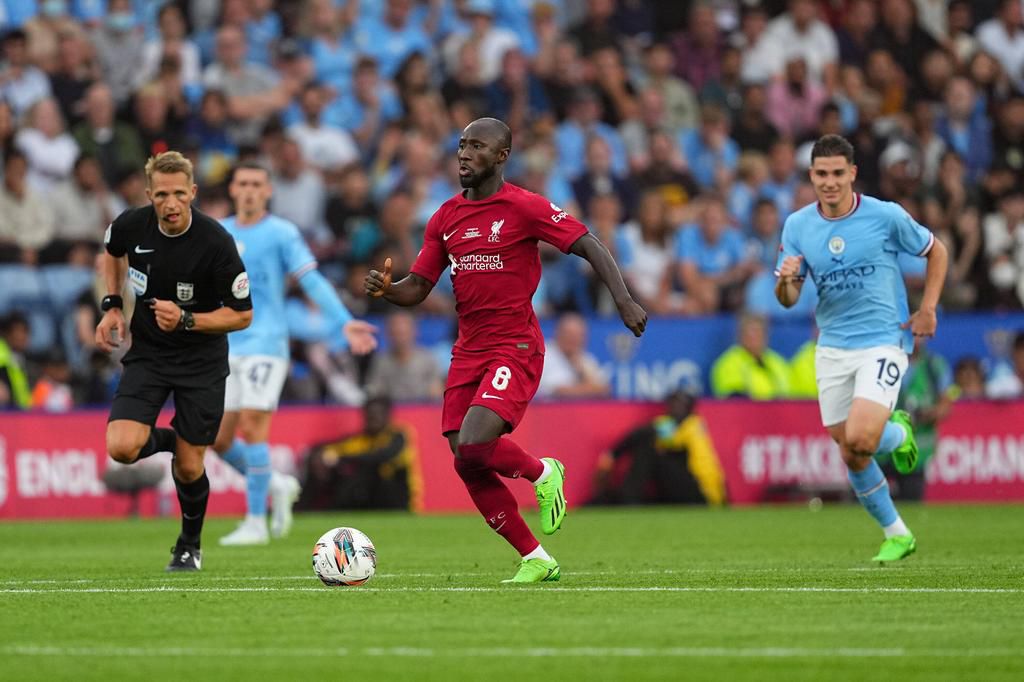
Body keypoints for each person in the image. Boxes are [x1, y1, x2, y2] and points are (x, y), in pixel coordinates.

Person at [364, 117, 647, 583]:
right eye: (460, 145)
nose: (463, 154)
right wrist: (388, 289)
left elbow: (588, 243)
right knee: (466, 458)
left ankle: (542, 472)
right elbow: (418, 286)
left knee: (476, 441)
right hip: (468, 349)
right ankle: (536, 557)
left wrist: (624, 299)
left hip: (514, 345)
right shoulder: (444, 217)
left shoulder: (524, 207)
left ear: (501, 156)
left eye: (476, 146)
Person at [775, 134, 948, 563]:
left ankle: (900, 431)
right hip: (832, 347)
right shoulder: (798, 226)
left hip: (883, 341)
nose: (829, 182)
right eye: (821, 174)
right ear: (811, 176)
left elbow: (936, 250)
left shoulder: (885, 216)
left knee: (862, 438)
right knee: (850, 451)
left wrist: (927, 308)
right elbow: (788, 299)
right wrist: (785, 279)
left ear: (852, 173)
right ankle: (898, 534)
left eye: (837, 173)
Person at [95, 151, 254, 571]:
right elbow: (112, 250)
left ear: (193, 193)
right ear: (149, 194)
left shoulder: (215, 242)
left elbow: (242, 314)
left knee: (188, 469)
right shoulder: (131, 225)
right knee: (122, 448)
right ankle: (172, 439)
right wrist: (112, 305)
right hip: (148, 354)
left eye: (179, 194)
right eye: (161, 194)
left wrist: (187, 319)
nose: (170, 203)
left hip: (201, 360)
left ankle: (189, 544)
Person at [213, 161, 378, 546]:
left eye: (257, 183)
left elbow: (311, 279)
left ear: (268, 191)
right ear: (233, 190)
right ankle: (278, 483)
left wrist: (343, 321)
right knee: (217, 439)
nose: (250, 190)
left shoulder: (281, 233)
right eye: (243, 183)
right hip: (225, 345)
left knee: (253, 424)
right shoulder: (219, 233)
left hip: (267, 343)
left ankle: (255, 520)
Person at [593, 390, 725, 506]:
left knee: (647, 448)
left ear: (689, 409)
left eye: (679, 405)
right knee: (651, 446)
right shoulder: (686, 424)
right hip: (694, 491)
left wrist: (612, 455)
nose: (674, 408)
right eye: (672, 403)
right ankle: (627, 499)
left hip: (701, 495)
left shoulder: (690, 425)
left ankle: (629, 500)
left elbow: (642, 433)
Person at [301, 394, 421, 512]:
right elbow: (325, 447)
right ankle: (306, 509)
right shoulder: (359, 439)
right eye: (370, 415)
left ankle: (334, 509)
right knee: (327, 464)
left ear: (387, 416)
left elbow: (383, 456)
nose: (373, 419)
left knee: (368, 470)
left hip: (400, 498)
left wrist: (342, 457)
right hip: (371, 499)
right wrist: (321, 456)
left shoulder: (399, 436)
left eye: (377, 414)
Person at [879, 338, 955, 501]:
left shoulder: (934, 366)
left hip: (916, 449)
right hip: (880, 447)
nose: (914, 338)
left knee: (910, 506)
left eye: (918, 333)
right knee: (866, 505)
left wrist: (925, 414)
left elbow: (945, 406)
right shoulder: (881, 361)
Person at [710, 313, 791, 400]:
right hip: (746, 412)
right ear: (740, 336)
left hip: (781, 411)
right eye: (750, 333)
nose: (754, 338)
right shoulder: (728, 364)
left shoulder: (778, 362)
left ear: (766, 336)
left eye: (758, 332)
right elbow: (734, 399)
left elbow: (793, 396)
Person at [537, 313, 610, 399]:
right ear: (558, 333)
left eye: (578, 335)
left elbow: (604, 389)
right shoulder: (543, 354)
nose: (574, 339)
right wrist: (591, 389)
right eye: (569, 334)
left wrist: (580, 370)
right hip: (547, 410)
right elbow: (559, 392)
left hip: (582, 411)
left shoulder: (586, 358)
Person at [0, 312, 31, 410]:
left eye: (26, 331)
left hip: (19, 418)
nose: (23, 337)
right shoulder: (2, 356)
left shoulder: (18, 359)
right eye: (19, 331)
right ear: (6, 333)